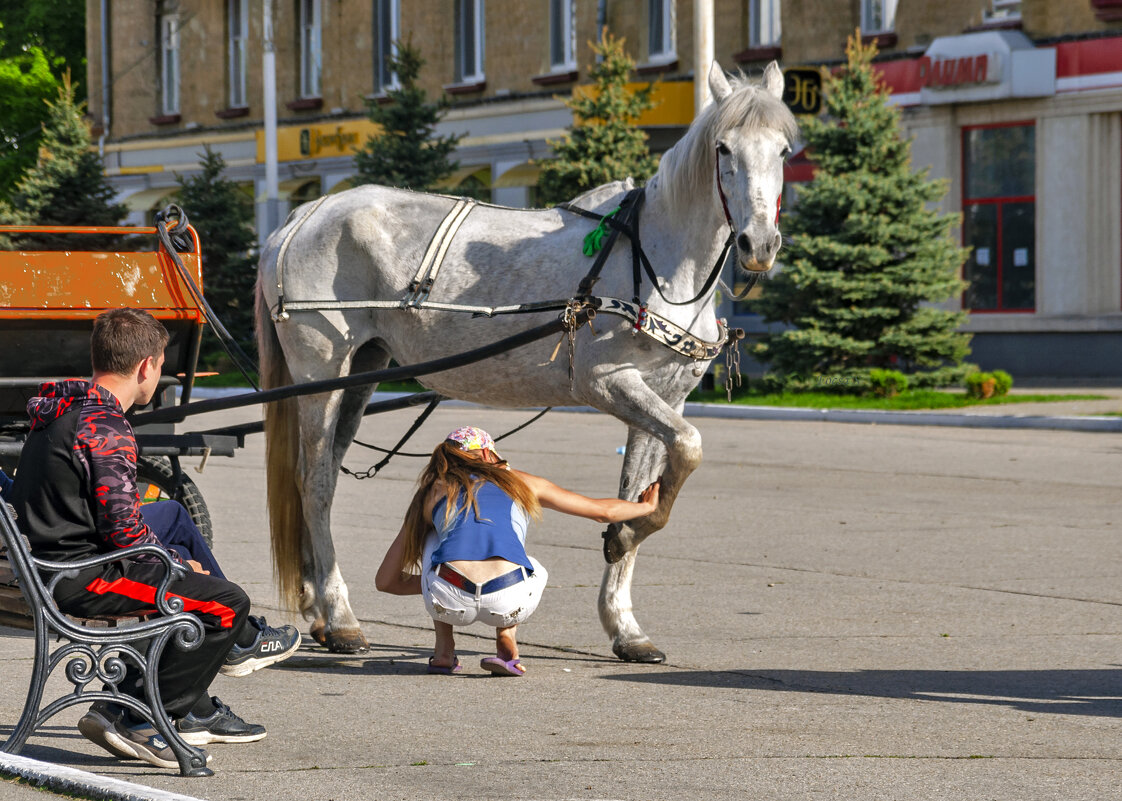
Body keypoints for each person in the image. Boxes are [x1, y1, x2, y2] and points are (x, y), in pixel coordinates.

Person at [7, 308, 299, 770]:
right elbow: (125, 534)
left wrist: (173, 562)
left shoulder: (65, 407)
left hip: (51, 558)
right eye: (161, 365)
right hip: (80, 578)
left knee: (173, 516)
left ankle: (235, 648)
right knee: (226, 603)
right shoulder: (106, 428)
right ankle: (134, 718)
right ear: (146, 366)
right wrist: (177, 569)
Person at [375, 426, 660, 676]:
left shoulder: (432, 491)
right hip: (510, 599)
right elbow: (602, 512)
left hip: (448, 600)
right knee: (528, 560)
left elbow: (385, 581)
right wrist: (646, 507)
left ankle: (444, 652)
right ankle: (508, 641)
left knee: (433, 545)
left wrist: (436, 586)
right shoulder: (521, 481)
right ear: (488, 455)